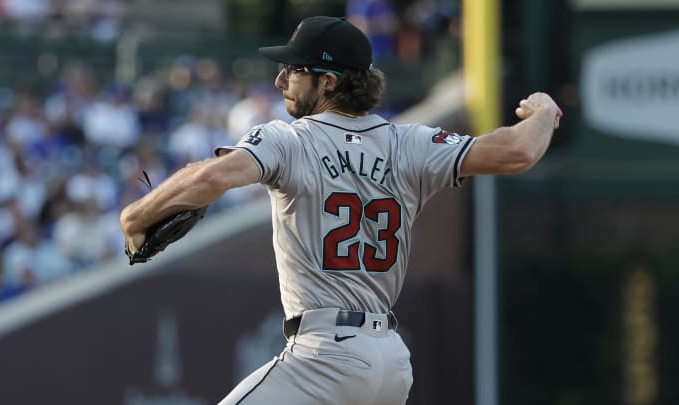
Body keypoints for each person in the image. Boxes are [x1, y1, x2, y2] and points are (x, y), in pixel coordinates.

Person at [120, 15, 562, 405]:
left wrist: (134, 218)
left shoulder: (288, 139)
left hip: (324, 356)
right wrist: (545, 111)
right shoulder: (411, 144)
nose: (280, 81)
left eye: (293, 69)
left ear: (328, 81)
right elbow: (519, 150)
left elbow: (209, 178)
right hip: (389, 360)